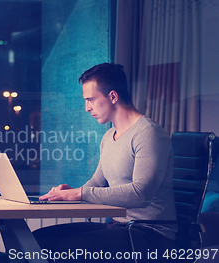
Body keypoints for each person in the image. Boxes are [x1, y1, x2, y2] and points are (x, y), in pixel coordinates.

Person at [33, 63, 176, 262]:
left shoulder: (149, 134)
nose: (86, 108)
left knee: (68, 248)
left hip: (149, 233)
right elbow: (97, 183)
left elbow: (140, 194)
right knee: (37, 240)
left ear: (113, 96)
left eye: (90, 99)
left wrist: (80, 193)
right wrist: (70, 193)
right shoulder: (109, 136)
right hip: (118, 225)